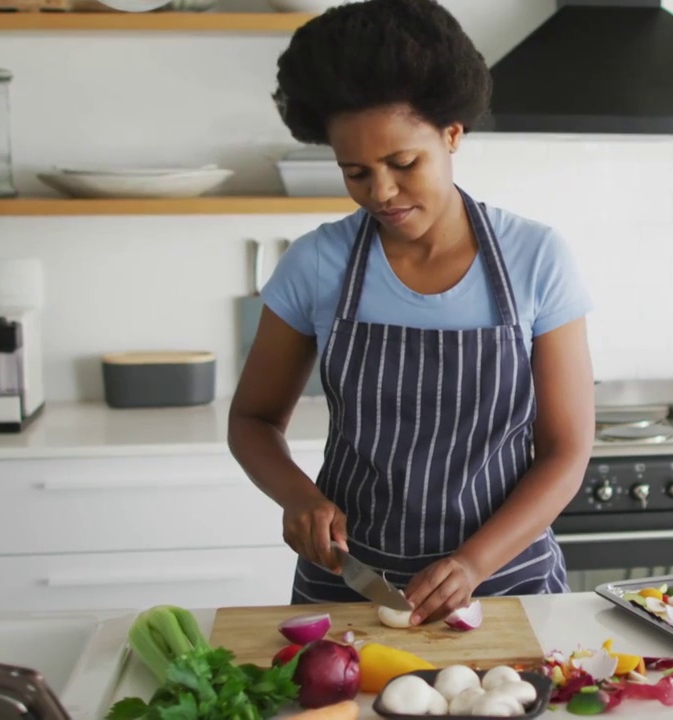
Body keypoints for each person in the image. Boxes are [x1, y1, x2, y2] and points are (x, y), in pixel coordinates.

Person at [227, 0, 595, 625]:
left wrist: (474, 563)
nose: (382, 193)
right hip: (351, 588)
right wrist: (300, 500)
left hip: (504, 585)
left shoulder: (536, 257)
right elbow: (253, 419)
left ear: (452, 134)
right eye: (356, 173)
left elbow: (566, 450)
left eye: (403, 164)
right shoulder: (317, 263)